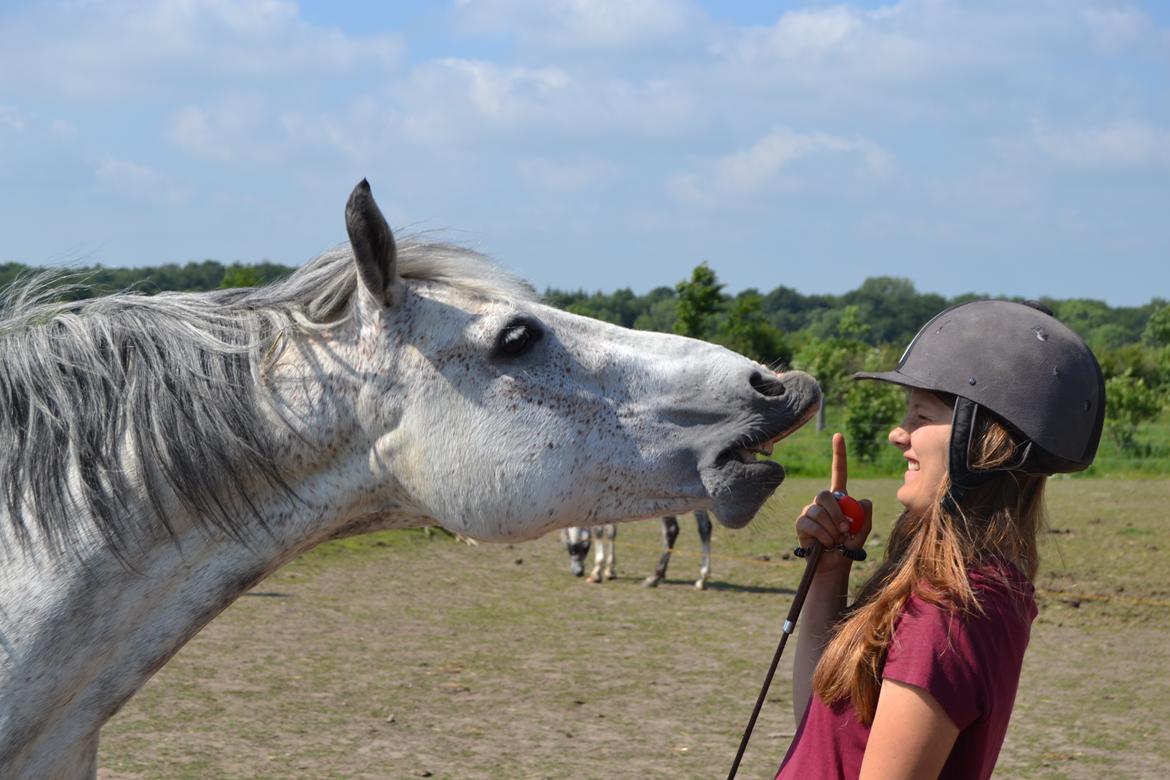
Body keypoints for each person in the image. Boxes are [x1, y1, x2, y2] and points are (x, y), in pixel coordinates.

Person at [776, 300, 1105, 780]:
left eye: (920, 416)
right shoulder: (950, 588)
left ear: (983, 443)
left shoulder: (951, 611)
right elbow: (821, 737)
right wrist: (829, 571)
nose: (896, 433)